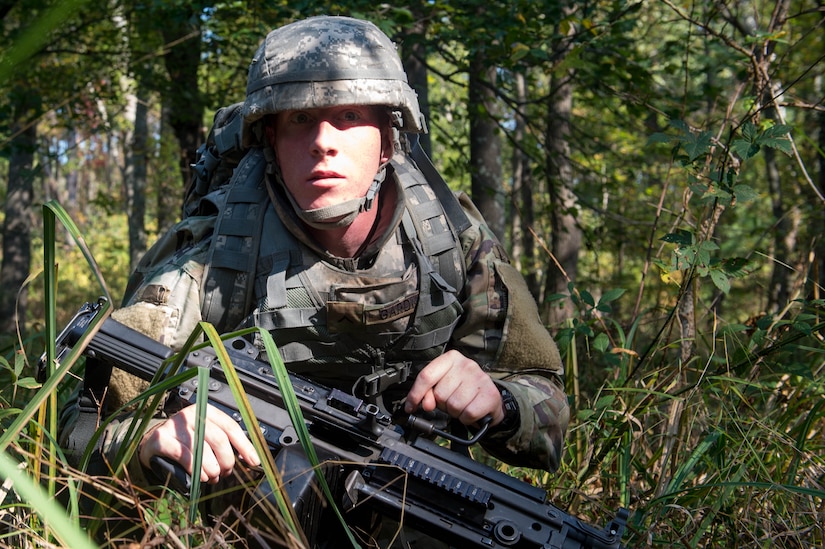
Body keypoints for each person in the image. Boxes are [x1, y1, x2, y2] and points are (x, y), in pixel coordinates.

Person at [61, 14, 569, 546]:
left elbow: (549, 417)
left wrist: (502, 402)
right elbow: (79, 430)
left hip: (401, 496)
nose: (324, 142)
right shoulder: (212, 259)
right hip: (239, 509)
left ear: (389, 138)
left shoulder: (452, 244)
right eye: (301, 118)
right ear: (271, 140)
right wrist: (148, 444)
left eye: (349, 115)